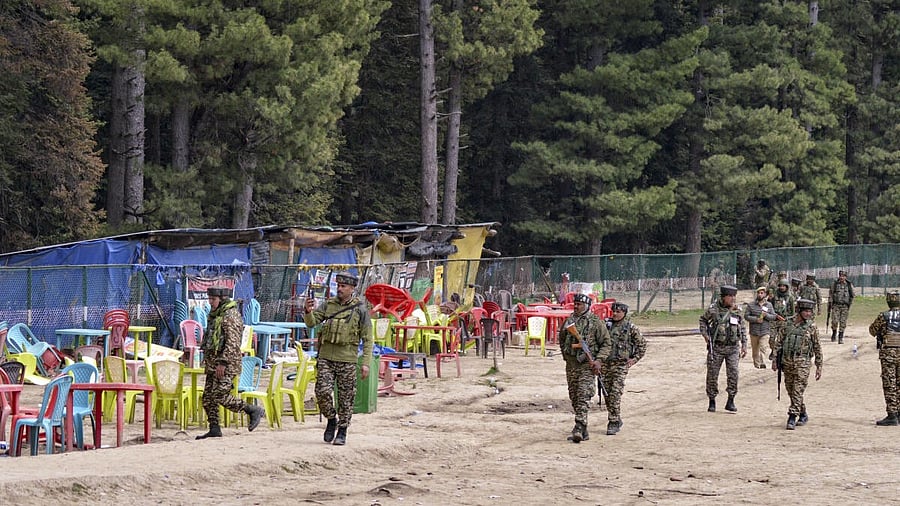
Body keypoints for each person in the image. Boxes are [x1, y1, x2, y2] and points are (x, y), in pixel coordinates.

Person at [304, 271, 372, 446]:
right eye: (338, 286)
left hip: (347, 359)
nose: (339, 289)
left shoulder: (360, 309)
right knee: (322, 391)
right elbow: (312, 322)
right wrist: (308, 311)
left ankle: (342, 430)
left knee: (346, 397)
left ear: (352, 288)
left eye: (343, 286)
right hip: (326, 357)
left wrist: (365, 363)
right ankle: (331, 419)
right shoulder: (329, 305)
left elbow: (368, 338)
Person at [196, 286, 264, 439]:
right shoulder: (215, 314)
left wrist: (223, 363)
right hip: (213, 363)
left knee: (220, 394)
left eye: (213, 299)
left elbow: (232, 343)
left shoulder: (230, 315)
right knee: (207, 398)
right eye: (210, 299)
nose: (211, 302)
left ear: (222, 299)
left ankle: (251, 410)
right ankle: (214, 428)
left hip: (226, 364)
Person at [559, 293, 611, 443]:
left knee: (583, 395)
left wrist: (599, 361)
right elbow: (562, 339)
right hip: (572, 365)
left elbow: (606, 343)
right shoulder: (569, 321)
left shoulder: (595, 322)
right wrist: (566, 355)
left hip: (587, 366)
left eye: (579, 304)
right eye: (575, 304)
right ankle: (584, 429)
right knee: (574, 396)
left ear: (587, 306)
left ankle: (579, 427)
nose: (576, 306)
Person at [772, 298, 823, 430]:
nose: (808, 314)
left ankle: (792, 417)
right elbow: (779, 342)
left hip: (803, 363)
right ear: (799, 311)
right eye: (805, 311)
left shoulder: (812, 327)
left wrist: (819, 366)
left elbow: (817, 347)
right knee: (791, 390)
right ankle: (803, 412)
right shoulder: (787, 324)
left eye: (810, 311)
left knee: (798, 389)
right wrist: (774, 359)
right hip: (787, 362)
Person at [600, 302, 647, 435]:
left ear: (624, 313)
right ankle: (616, 416)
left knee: (615, 392)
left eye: (618, 312)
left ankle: (613, 421)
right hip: (605, 364)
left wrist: (634, 359)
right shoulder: (605, 325)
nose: (615, 314)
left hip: (620, 365)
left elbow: (642, 345)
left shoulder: (630, 327)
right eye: (613, 311)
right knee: (607, 393)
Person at [700, 285, 747, 413]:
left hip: (733, 348)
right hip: (717, 348)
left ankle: (731, 400)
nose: (732, 299)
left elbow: (742, 327)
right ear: (723, 297)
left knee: (733, 374)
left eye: (734, 296)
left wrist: (744, 344)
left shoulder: (736, 311)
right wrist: (705, 335)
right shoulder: (713, 310)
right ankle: (712, 400)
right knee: (712, 375)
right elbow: (703, 320)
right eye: (730, 296)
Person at [868, 291, 900, 426]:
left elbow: (872, 331)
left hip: (888, 354)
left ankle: (892, 414)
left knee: (890, 383)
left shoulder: (884, 316)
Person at [744, 286, 784, 369]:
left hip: (765, 331)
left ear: (765, 294)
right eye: (758, 293)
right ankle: (756, 364)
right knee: (755, 350)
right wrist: (756, 319)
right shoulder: (751, 305)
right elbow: (746, 316)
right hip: (754, 331)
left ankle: (762, 363)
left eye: (762, 293)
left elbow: (773, 316)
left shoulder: (769, 305)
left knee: (763, 347)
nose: (760, 294)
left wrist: (766, 315)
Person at [769, 279, 796, 360]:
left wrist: (790, 321)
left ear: (787, 287)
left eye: (784, 286)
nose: (782, 287)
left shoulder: (790, 297)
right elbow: (770, 307)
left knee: (782, 339)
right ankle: (773, 350)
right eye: (780, 286)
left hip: (784, 320)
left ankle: (778, 353)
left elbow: (793, 312)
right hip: (774, 319)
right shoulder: (775, 295)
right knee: (771, 338)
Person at [828, 270, 855, 344]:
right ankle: (834, 333)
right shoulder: (835, 284)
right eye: (840, 276)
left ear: (845, 277)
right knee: (834, 321)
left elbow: (852, 295)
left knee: (843, 322)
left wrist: (849, 304)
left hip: (845, 306)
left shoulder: (849, 285)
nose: (841, 277)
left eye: (843, 276)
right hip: (836, 305)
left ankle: (840, 337)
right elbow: (831, 294)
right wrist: (830, 303)